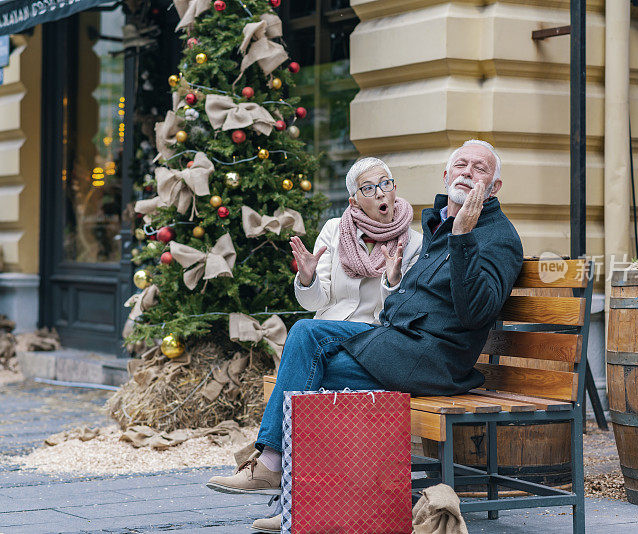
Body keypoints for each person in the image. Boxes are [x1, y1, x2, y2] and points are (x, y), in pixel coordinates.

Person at [207, 140, 524, 533]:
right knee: (306, 337)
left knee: (310, 366)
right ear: (445, 175)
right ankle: (287, 485)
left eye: (479, 169)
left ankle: (290, 490)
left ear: (493, 188)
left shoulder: (496, 236)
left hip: (432, 360)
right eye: (460, 164)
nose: (467, 172)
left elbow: (475, 312)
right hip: (399, 344)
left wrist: (463, 237)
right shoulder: (438, 223)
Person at [290, 157, 422, 324]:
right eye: (368, 188)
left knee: (303, 328)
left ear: (394, 189)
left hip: (374, 334)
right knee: (304, 328)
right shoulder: (333, 230)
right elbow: (312, 304)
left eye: (385, 184)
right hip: (330, 327)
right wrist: (307, 280)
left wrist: (393, 283)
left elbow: (402, 313)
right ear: (354, 202)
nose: (380, 193)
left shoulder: (415, 243)